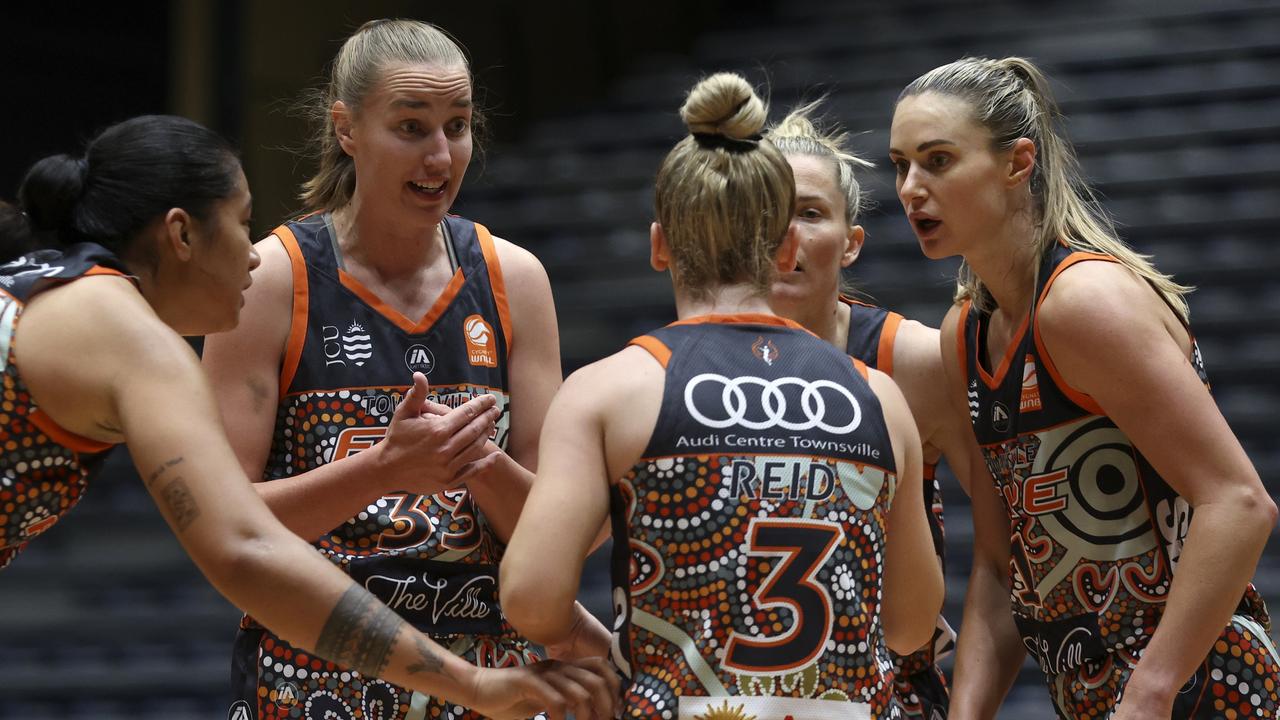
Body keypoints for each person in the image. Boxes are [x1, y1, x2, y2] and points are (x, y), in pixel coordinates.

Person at [0, 114, 620, 720]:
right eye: (243, 224)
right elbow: (246, 549)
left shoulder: (60, 295)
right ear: (182, 235)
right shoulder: (132, 336)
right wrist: (471, 685)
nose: (253, 255)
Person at [498, 71, 945, 719]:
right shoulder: (879, 397)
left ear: (660, 246)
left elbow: (532, 601)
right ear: (787, 246)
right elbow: (910, 626)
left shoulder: (608, 390)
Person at [200, 19, 606, 720]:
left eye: (458, 125)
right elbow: (222, 526)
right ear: (347, 128)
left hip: (488, 682)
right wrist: (385, 467)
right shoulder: (271, 279)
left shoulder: (515, 279)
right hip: (309, 682)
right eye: (412, 127)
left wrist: (473, 460)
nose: (442, 155)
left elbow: (552, 530)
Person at [888, 56, 1280, 719]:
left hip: (1195, 685)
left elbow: (1239, 504)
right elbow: (994, 566)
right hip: (1092, 692)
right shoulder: (965, 333)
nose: (909, 188)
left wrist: (1151, 692)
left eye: (938, 161)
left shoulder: (1081, 303)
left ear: (1017, 163)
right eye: (900, 165)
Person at [767, 101, 972, 719]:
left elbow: (1000, 549)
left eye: (808, 213)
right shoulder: (679, 366)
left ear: (851, 243)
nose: (786, 238)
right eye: (763, 215)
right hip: (734, 691)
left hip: (888, 692)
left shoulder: (912, 359)